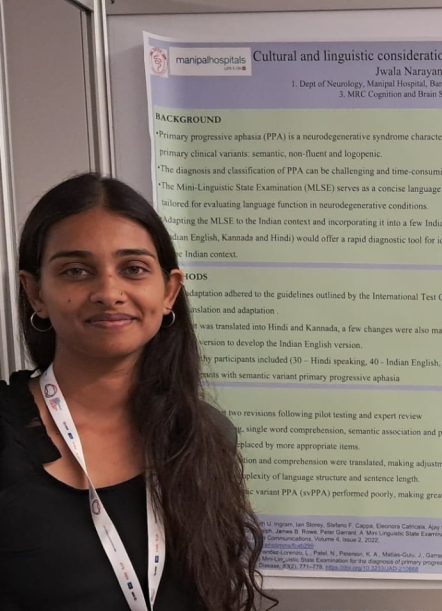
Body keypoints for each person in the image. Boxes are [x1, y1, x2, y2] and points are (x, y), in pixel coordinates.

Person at [0, 173, 274, 610]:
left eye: (133, 269)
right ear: (36, 294)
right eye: (76, 271)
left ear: (169, 291)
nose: (109, 293)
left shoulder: (204, 434)